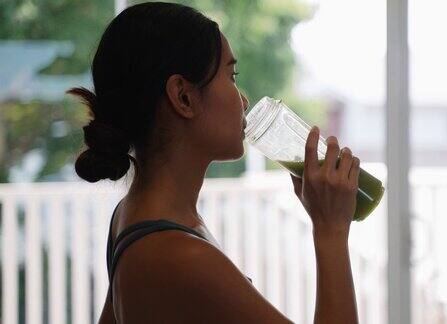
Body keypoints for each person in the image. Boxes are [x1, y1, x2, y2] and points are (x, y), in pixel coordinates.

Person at [68, 2, 360, 323]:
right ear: (183, 97)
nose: (243, 100)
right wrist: (331, 230)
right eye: (231, 75)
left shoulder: (133, 216)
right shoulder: (177, 254)